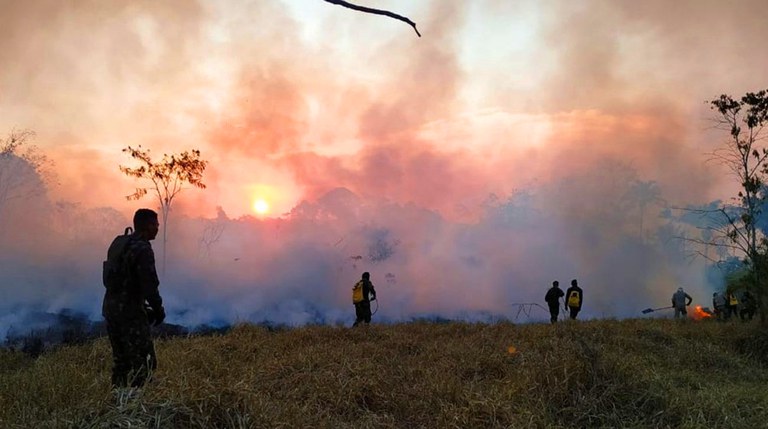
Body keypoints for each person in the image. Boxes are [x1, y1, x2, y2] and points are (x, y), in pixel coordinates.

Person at [102, 208, 165, 388]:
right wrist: (158, 310)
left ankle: (118, 402)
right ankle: (137, 407)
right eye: (155, 224)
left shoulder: (121, 244)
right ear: (147, 225)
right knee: (144, 362)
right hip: (130, 314)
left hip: (111, 309)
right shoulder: (143, 249)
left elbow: (121, 280)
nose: (158, 227)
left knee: (121, 361)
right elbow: (150, 286)